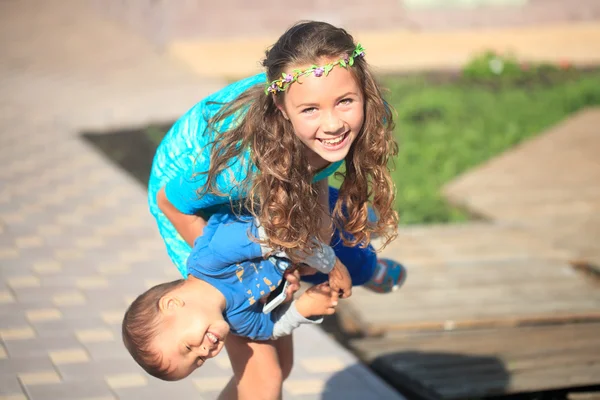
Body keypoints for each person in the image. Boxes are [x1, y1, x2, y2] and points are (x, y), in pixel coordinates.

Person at [147, 20, 406, 399]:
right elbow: (172, 201)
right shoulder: (239, 165)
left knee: (278, 362)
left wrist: (303, 256)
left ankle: (366, 268)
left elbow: (315, 172)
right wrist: (239, 270)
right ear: (282, 111)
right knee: (264, 376)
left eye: (345, 101)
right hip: (195, 204)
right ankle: (365, 267)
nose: (333, 123)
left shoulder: (362, 121)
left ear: (363, 93)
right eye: (311, 109)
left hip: (270, 177)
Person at [122, 209, 340, 381]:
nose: (206, 351)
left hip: (284, 204)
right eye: (198, 360)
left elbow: (273, 233)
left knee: (356, 259)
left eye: (188, 347)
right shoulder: (238, 322)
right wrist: (303, 309)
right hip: (307, 246)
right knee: (357, 255)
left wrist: (331, 264)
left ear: (172, 304)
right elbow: (271, 329)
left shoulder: (210, 262)